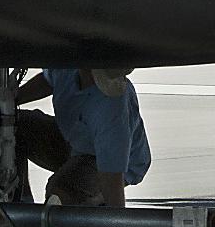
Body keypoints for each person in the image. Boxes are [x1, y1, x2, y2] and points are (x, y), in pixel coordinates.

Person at [15, 68, 151, 207]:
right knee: (15, 126)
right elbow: (48, 80)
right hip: (76, 141)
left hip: (112, 159)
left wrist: (116, 224)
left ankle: (93, 200)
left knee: (63, 190)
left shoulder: (111, 109)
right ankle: (18, 204)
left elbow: (111, 176)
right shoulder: (68, 68)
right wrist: (12, 98)